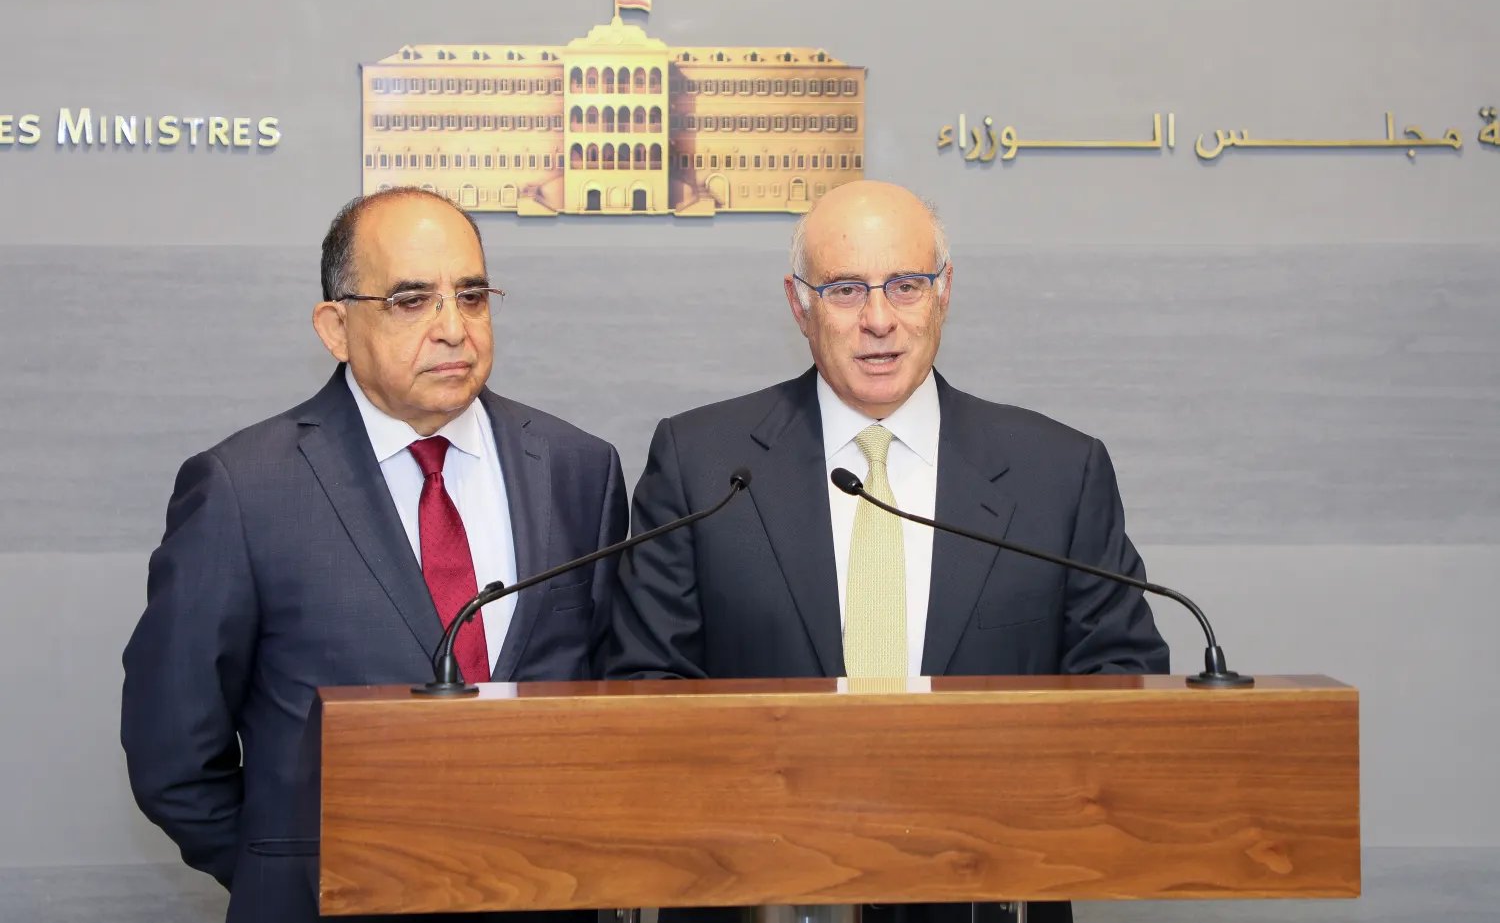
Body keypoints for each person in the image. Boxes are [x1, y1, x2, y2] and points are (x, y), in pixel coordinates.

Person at [604, 180, 1168, 923]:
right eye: (844, 289)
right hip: (756, 892)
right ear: (797, 303)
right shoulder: (700, 463)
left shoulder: (1057, 473)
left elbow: (1123, 684)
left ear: (944, 292)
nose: (879, 320)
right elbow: (648, 690)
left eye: (905, 285)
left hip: (987, 889)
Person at [122, 187, 626, 923]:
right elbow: (173, 750)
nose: (453, 328)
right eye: (411, 300)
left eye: (473, 295)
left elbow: (616, 704)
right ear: (335, 325)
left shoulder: (579, 468)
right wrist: (290, 869)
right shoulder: (243, 488)